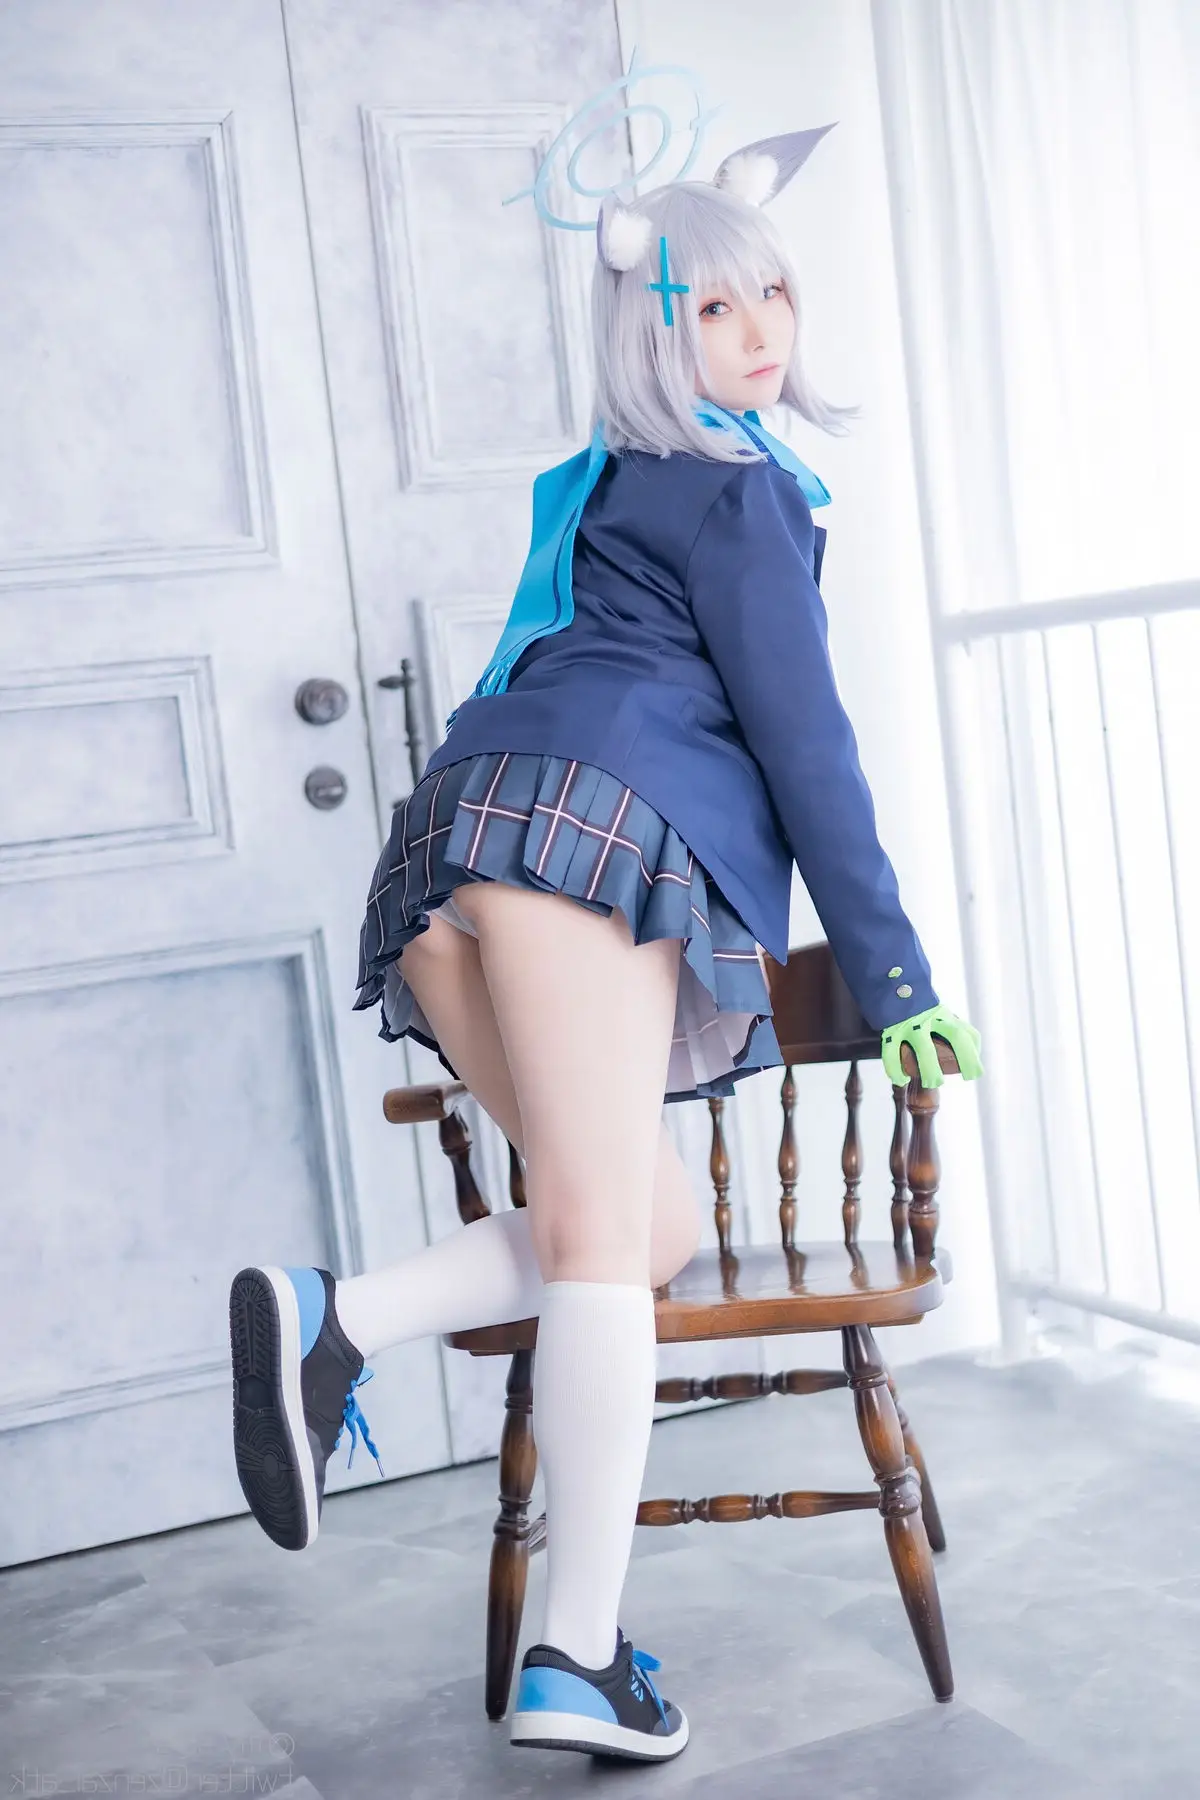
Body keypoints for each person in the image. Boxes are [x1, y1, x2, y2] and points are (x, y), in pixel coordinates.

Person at [227, 119, 983, 1767]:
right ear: (651, 329)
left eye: (774, 292)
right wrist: (899, 980)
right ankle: (575, 1651)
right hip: (586, 845)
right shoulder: (737, 494)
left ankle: (339, 1317)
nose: (760, 329)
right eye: (713, 306)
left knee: (635, 1230)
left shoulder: (603, 486)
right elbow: (808, 750)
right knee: (597, 1249)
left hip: (465, 845)